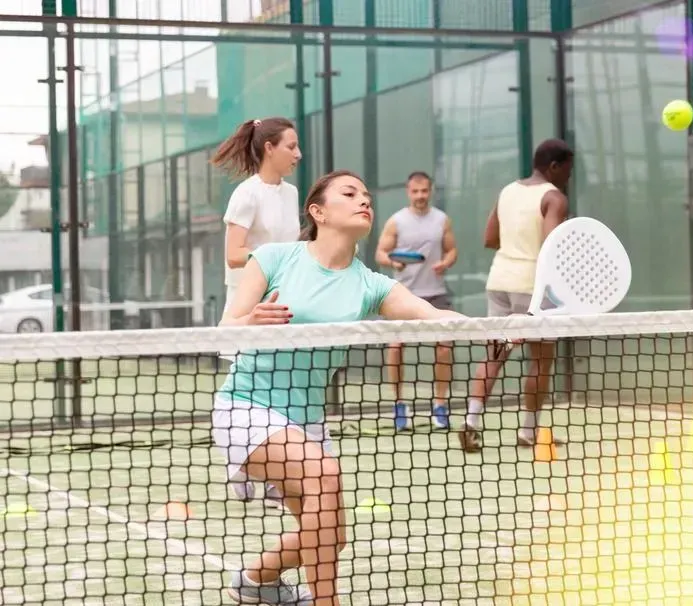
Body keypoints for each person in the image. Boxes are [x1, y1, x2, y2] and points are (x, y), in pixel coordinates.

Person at [213, 170, 464, 606]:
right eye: (349, 194)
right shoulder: (274, 259)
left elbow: (428, 312)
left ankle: (254, 581)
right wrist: (250, 323)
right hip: (246, 408)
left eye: (366, 195)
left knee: (331, 539)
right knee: (326, 475)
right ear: (318, 212)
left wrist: (498, 328)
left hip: (306, 421)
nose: (363, 201)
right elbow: (223, 331)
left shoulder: (369, 283)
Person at [458, 139, 574, 453]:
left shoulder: (507, 191)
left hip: (499, 281)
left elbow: (490, 238)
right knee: (540, 362)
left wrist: (517, 247)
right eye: (567, 169)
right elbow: (552, 248)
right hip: (532, 288)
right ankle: (528, 431)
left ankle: (470, 422)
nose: (568, 176)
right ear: (554, 166)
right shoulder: (554, 198)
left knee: (493, 355)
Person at [211, 116, 303, 509]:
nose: (298, 154)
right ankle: (238, 462)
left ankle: (273, 475)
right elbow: (233, 256)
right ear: (270, 148)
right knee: (245, 388)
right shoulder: (245, 195)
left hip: (283, 302)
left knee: (281, 387)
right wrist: (273, 256)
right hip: (248, 304)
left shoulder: (292, 192)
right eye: (291, 146)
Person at [374, 171, 458, 432]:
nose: (420, 196)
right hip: (404, 295)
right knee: (396, 347)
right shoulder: (396, 221)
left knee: (444, 347)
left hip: (435, 293)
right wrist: (393, 262)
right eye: (415, 191)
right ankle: (399, 405)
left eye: (424, 191)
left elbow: (452, 249)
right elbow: (380, 252)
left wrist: (446, 262)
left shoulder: (441, 220)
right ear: (408, 192)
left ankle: (441, 405)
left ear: (430, 191)